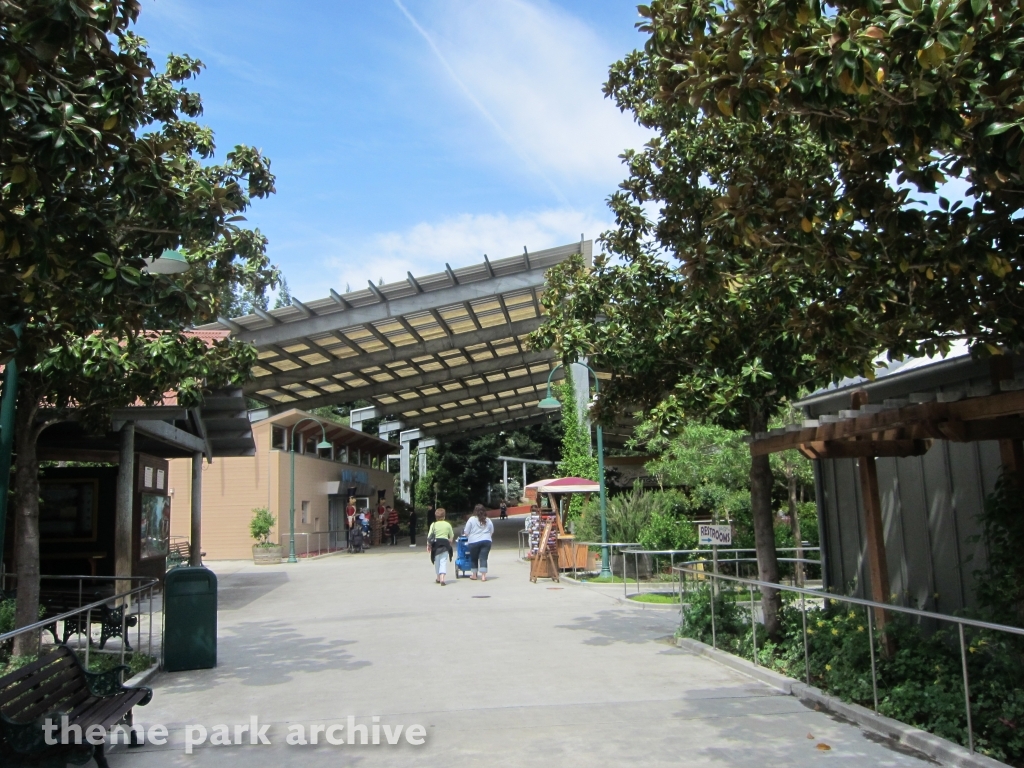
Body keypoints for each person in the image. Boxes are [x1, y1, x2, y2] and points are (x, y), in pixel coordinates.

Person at [463, 503, 495, 581]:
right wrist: (487, 537)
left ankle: (474, 575)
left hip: (473, 541)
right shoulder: (487, 520)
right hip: (486, 541)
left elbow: (466, 531)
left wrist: (468, 535)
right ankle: (483, 576)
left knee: (474, 558)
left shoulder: (471, 519)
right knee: (483, 558)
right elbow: (492, 531)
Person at [427, 508, 455, 585]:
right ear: (444, 516)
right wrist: (450, 540)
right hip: (445, 545)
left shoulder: (433, 525)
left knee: (437, 562)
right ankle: (442, 578)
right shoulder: (448, 524)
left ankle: (438, 577)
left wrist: (428, 545)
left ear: (436, 516)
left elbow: (429, 536)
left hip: (436, 545)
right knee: (443, 562)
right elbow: (451, 536)